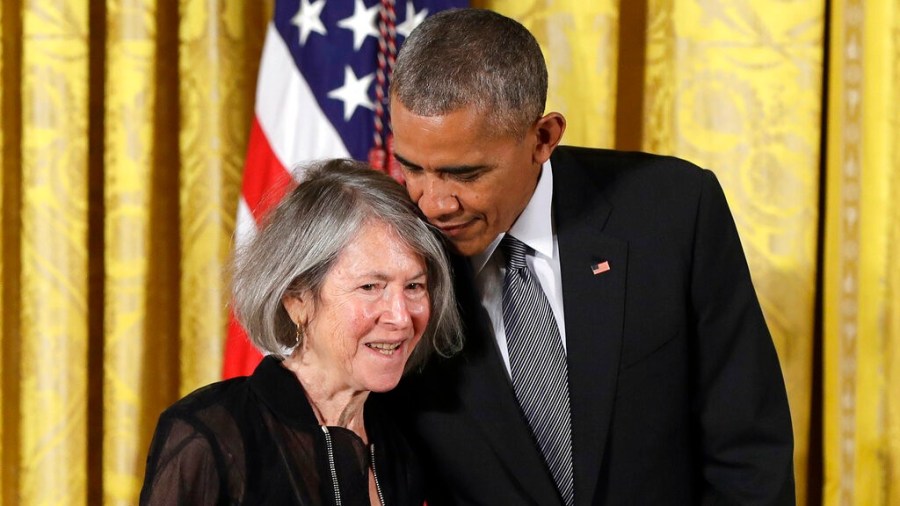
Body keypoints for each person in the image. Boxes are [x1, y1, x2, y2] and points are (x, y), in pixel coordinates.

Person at [387, 8, 795, 505]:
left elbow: (750, 451)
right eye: (412, 168)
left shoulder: (675, 211)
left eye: (465, 174)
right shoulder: (387, 255)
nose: (434, 203)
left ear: (542, 138)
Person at [140, 159, 463, 505]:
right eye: (370, 286)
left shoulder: (403, 443)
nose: (401, 317)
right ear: (297, 299)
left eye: (414, 286)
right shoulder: (209, 435)